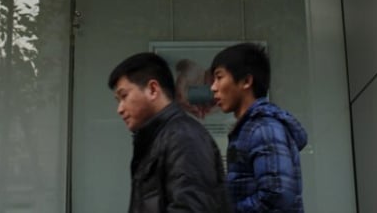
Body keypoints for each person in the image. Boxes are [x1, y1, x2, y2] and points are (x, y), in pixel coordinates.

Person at [108, 52, 228, 212]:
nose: (120, 109)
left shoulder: (183, 137)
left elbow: (191, 207)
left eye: (124, 96)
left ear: (152, 89)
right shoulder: (157, 137)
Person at [209, 43, 306, 212]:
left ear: (246, 81)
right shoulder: (252, 127)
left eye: (219, 77)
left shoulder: (263, 128)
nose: (213, 87)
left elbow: (277, 198)